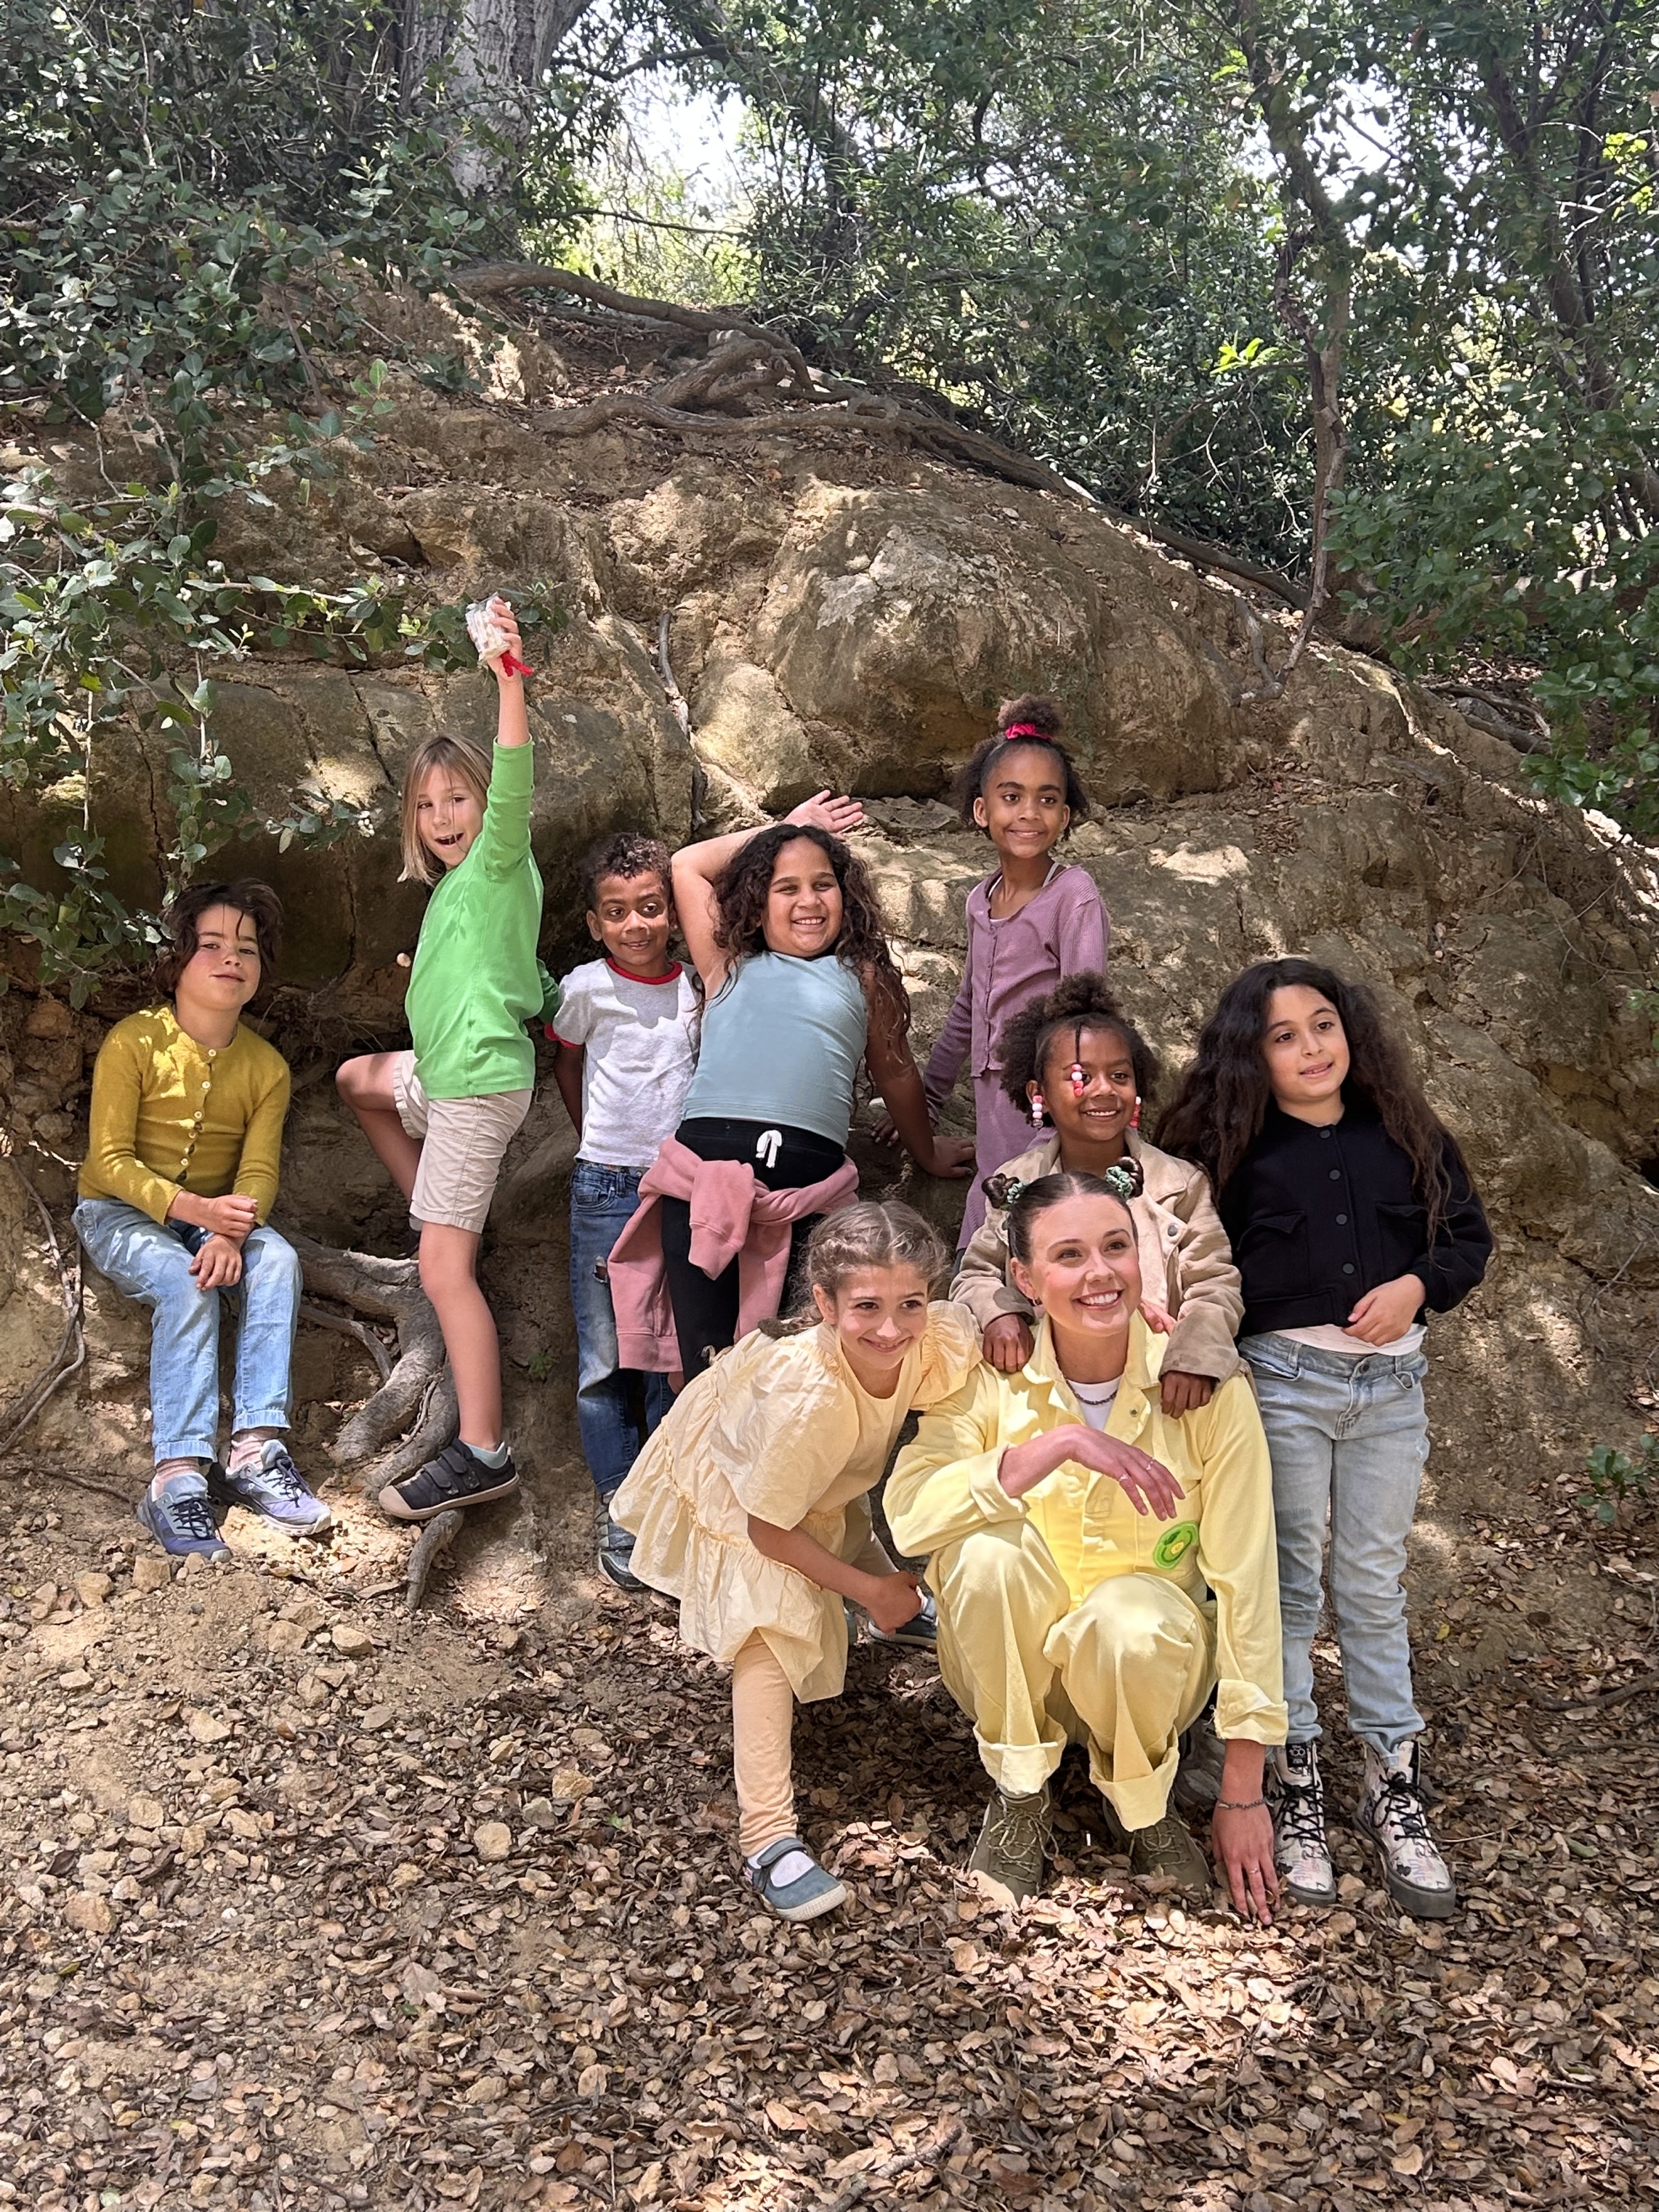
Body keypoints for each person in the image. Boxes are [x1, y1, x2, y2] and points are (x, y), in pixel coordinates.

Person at [1158, 959, 1492, 1919]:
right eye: (1283, 1036)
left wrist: (1418, 1287)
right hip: (1285, 1388)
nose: (1311, 1048)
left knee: (1375, 1585)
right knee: (1289, 1581)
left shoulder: (1408, 1133)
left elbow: (1464, 1237)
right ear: (1251, 1058)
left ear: (1352, 1032)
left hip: (1392, 1390)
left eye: (1323, 1026)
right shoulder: (1233, 1150)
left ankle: (1393, 1782)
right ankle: (1294, 1782)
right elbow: (1189, 1259)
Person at [888, 1172, 1285, 1921]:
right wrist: (1056, 1445)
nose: (1099, 1273)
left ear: (1142, 1258)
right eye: (1067, 1255)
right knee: (986, 1554)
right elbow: (909, 1517)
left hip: (1147, 1672)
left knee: (1129, 1613)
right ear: (1025, 1279)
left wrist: (1242, 1788)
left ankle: (1143, 1808)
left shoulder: (1200, 1380)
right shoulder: (985, 1377)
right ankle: (1020, 1795)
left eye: (1116, 1246)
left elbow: (1248, 1578)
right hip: (1010, 1672)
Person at [610, 1203, 980, 1921]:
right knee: (771, 1630)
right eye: (867, 1306)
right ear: (824, 1303)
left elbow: (985, 1349)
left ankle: (888, 1610)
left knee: (836, 1502)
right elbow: (769, 1528)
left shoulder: (924, 1338)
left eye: (911, 1302)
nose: (892, 1326)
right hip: (741, 1484)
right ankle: (768, 1836)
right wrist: (872, 1588)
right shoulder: (802, 1396)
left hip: (806, 1474)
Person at [608, 797, 973, 1382]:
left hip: (809, 1196)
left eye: (823, 885)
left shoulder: (863, 976)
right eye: (786, 888)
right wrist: (791, 828)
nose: (808, 901)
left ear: (845, 898)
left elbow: (897, 1073)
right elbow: (688, 865)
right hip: (703, 1190)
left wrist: (925, 1150)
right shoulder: (727, 963)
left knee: (795, 1363)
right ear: (755, 903)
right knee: (706, 1363)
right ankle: (699, 1470)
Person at [336, 597, 558, 1525]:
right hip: (444, 1081)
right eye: (425, 807)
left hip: (475, 1090)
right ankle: (444, 1215)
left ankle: (482, 1452)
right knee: (358, 1082)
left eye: (456, 798)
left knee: (443, 1275)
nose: (442, 816)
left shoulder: (501, 860)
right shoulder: (452, 897)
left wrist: (508, 679)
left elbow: (514, 777)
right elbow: (515, 977)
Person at [75, 881, 328, 1560]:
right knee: (185, 1283)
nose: (229, 959)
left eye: (245, 948)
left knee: (277, 1259)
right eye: (210, 945)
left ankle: (254, 1448)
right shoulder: (136, 1041)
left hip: (213, 1218)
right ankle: (176, 1476)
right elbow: (109, 1160)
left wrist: (230, 1230)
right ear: (176, 961)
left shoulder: (265, 1067)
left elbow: (258, 1173)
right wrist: (197, 1213)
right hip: (118, 1212)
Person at [950, 972, 1241, 1416]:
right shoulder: (1017, 1183)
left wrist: (1194, 1356)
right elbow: (975, 1273)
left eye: (1120, 1074)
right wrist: (1000, 1314)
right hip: (1041, 1396)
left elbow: (1215, 1283)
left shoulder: (1179, 1184)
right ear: (1039, 1095)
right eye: (1080, 1076)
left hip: (1158, 1391)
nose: (1105, 1089)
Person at [551, 832, 700, 1591]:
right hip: (606, 1184)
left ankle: (663, 1499)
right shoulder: (585, 987)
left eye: (649, 907)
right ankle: (620, 1505)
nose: (636, 924)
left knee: (667, 1353)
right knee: (606, 1354)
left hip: (678, 1187)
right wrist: (593, 1141)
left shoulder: (697, 989)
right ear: (594, 922)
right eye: (617, 912)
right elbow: (568, 1061)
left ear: (672, 911)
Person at [903, 696, 1107, 1248]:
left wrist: (1069, 1101)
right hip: (992, 1097)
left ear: (1064, 817)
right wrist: (927, 1099)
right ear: (981, 810)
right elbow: (969, 1005)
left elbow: (1083, 1012)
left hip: (1045, 1097)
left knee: (1034, 1208)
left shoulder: (1073, 896)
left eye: (1047, 800)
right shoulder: (979, 901)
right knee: (995, 1203)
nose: (1028, 814)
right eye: (1011, 797)